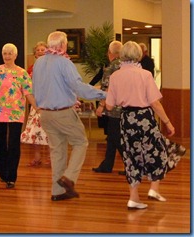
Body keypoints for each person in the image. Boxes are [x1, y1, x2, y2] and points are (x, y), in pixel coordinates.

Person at [106, 41, 185, 210]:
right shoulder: (145, 75)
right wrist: (168, 123)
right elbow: (155, 103)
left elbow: (109, 106)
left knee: (131, 156)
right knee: (158, 151)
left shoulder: (115, 76)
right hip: (145, 118)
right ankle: (154, 188)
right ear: (139, 55)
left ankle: (134, 198)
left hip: (126, 120)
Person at [32, 31, 107, 201]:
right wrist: (104, 95)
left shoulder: (39, 62)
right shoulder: (64, 63)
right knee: (80, 142)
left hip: (45, 114)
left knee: (57, 151)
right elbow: (79, 87)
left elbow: (34, 88)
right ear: (63, 45)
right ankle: (69, 178)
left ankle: (57, 192)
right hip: (63, 113)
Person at [0, 43, 37, 189]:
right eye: (5, 53)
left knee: (14, 144)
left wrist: (37, 108)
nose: (7, 56)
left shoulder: (22, 73)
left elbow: (28, 93)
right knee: (0, 144)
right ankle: (3, 174)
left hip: (16, 113)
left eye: (10, 53)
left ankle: (12, 177)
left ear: (16, 55)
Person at [92, 40, 124, 174]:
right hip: (126, 107)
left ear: (110, 53)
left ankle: (133, 165)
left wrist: (101, 106)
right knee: (113, 137)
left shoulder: (111, 67)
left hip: (114, 109)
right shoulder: (125, 65)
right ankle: (107, 165)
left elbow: (107, 89)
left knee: (116, 138)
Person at [21, 41, 50, 166]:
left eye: (43, 50)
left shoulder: (51, 67)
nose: (40, 52)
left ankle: (51, 157)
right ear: (35, 53)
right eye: (38, 50)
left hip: (49, 102)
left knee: (49, 131)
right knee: (35, 131)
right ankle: (37, 157)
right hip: (36, 102)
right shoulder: (31, 68)